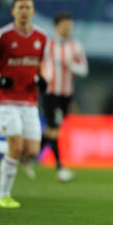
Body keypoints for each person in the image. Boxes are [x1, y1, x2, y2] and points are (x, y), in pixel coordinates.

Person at [0, 0, 47, 208]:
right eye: (20, 7)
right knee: (16, 148)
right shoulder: (2, 35)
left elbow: (39, 63)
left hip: (30, 101)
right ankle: (2, 195)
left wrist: (42, 78)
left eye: (28, 7)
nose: (24, 11)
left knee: (32, 151)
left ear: (33, 11)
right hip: (6, 101)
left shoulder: (41, 37)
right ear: (12, 11)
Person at [39, 12, 89, 182]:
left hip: (66, 94)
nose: (68, 28)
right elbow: (38, 66)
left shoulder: (76, 47)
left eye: (70, 25)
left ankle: (26, 155)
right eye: (65, 25)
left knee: (51, 129)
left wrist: (71, 66)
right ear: (56, 26)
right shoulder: (46, 45)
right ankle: (60, 167)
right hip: (50, 92)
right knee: (54, 128)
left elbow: (83, 70)